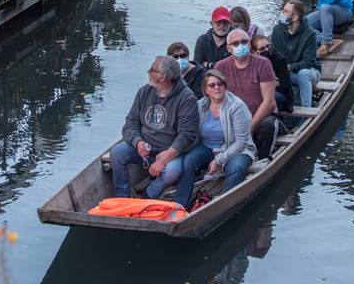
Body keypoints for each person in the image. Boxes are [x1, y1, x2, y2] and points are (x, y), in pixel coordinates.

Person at [109, 55, 199, 200]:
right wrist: (138, 142)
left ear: (162, 77)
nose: (148, 72)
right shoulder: (144, 92)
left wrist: (163, 160)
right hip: (145, 148)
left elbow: (186, 136)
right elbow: (130, 123)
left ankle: (148, 195)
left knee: (172, 172)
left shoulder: (187, 99)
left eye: (151, 70)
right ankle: (124, 198)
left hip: (170, 153)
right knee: (116, 153)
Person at [173, 68, 255, 209]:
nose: (217, 87)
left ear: (225, 86)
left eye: (220, 84)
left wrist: (218, 160)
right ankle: (179, 206)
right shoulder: (200, 106)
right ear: (206, 90)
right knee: (188, 162)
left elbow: (241, 142)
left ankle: (223, 207)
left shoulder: (237, 106)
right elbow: (190, 133)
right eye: (212, 85)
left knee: (235, 169)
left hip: (235, 148)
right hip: (206, 146)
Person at [216, 29, 279, 159]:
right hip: (234, 119)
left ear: (249, 44)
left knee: (268, 126)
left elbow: (269, 101)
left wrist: (250, 126)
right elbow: (217, 99)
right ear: (229, 48)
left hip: (261, 118)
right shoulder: (220, 67)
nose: (241, 45)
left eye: (244, 42)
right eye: (236, 43)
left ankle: (264, 158)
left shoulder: (263, 63)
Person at [271, 0, 321, 107]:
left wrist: (289, 67)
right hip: (286, 73)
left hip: (309, 73)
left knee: (303, 73)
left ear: (295, 18)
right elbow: (273, 55)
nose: (282, 13)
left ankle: (306, 110)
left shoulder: (310, 33)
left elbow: (308, 62)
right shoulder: (277, 30)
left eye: (285, 11)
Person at [251, 32, 293, 113]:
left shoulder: (279, 59)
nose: (266, 50)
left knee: (265, 100)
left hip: (279, 94)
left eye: (268, 46)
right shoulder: (250, 62)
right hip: (257, 95)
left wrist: (265, 87)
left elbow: (285, 85)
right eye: (262, 49)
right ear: (254, 51)